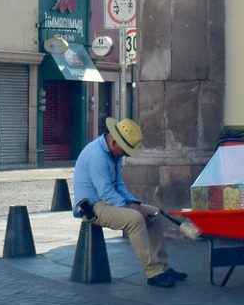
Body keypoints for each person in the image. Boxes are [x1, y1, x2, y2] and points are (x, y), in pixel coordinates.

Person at [72, 117, 188, 288]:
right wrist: (131, 208)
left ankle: (163, 266)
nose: (126, 154)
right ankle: (153, 272)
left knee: (154, 214)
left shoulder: (113, 154)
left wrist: (135, 203)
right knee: (135, 219)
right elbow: (105, 192)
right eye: (125, 150)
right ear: (114, 142)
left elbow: (119, 185)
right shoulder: (96, 155)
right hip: (91, 207)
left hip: (107, 202)